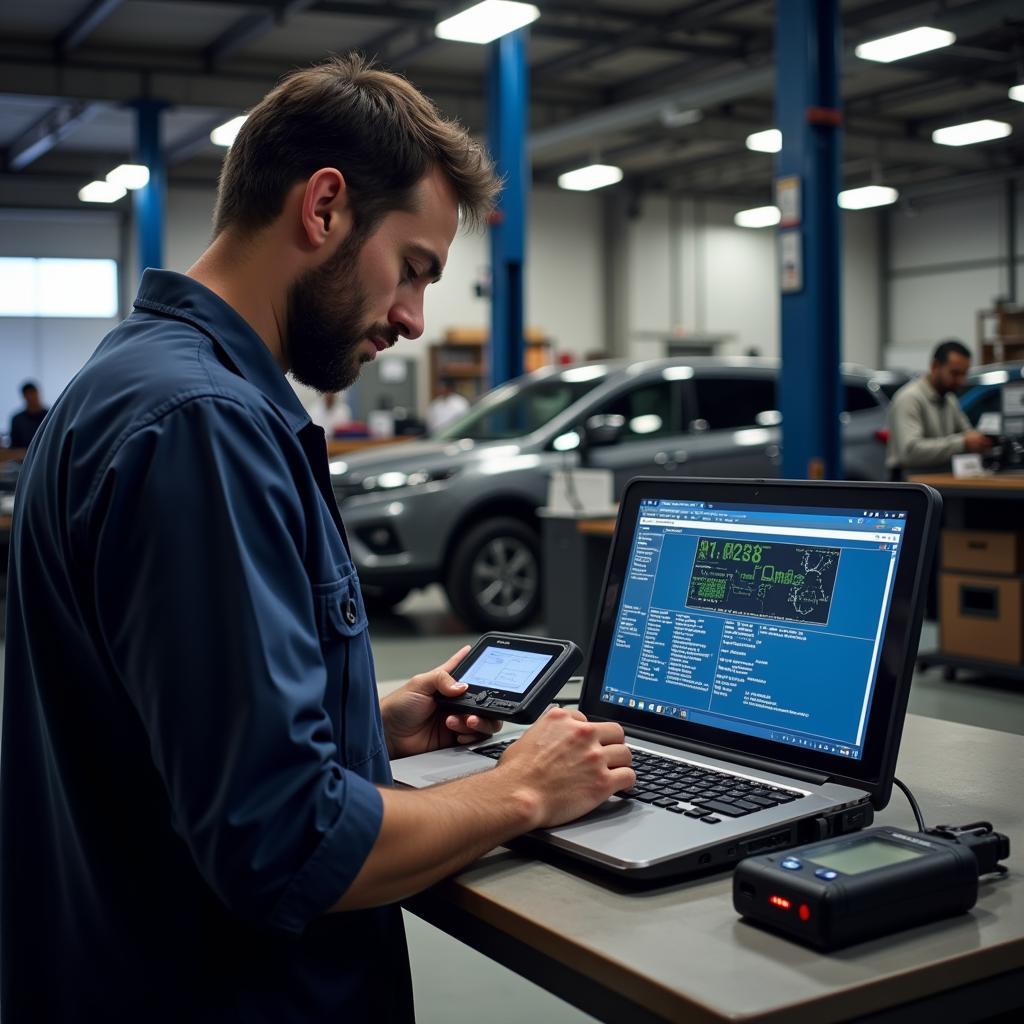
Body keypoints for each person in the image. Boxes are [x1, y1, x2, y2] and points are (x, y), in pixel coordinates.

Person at [0, 56, 635, 1024]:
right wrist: (521, 790)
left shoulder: (134, 380)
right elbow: (285, 840)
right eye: (414, 268)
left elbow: (154, 725)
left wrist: (359, 721)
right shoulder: (200, 426)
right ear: (325, 207)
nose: (415, 319)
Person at [886, 339, 992, 478]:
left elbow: (966, 433)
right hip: (911, 488)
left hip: (939, 482)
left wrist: (979, 441)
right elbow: (910, 452)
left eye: (964, 374)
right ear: (935, 366)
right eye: (955, 373)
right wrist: (962, 443)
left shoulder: (949, 399)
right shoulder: (909, 398)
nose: (961, 380)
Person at [8, 379, 47, 448]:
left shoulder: (49, 416)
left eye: (33, 393)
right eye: (28, 394)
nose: (31, 397)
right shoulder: (17, 420)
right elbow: (14, 446)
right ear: (24, 397)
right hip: (24, 456)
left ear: (38, 393)